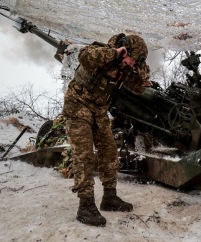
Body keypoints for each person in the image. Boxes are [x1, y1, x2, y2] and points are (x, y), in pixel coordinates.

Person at [58, 33, 151, 227]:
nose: (129, 63)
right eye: (130, 58)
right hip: (78, 106)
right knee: (84, 155)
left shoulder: (125, 67)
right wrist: (114, 54)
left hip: (99, 111)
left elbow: (139, 89)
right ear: (124, 48)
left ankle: (109, 197)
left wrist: (139, 71)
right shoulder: (101, 52)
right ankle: (86, 205)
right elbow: (84, 56)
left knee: (109, 152)